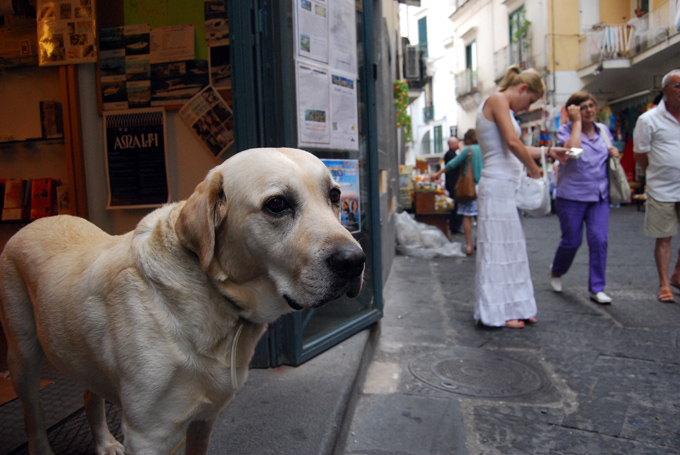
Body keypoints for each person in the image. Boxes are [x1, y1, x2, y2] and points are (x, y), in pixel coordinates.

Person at [474, 66, 568, 329]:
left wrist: (549, 152)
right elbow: (514, 143)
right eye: (529, 101)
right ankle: (497, 312)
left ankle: (514, 307)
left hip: (504, 186)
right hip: (498, 186)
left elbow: (514, 145)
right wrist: (535, 171)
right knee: (498, 249)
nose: (527, 108)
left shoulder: (501, 103)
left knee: (510, 248)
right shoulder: (498, 100)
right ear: (523, 88)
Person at [549, 91, 620, 305]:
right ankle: (557, 270)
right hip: (571, 195)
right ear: (573, 110)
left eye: (591, 105)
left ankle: (597, 288)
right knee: (572, 241)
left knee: (600, 240)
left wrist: (614, 152)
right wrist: (576, 122)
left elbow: (604, 158)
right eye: (583, 107)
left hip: (599, 195)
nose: (589, 110)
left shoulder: (604, 131)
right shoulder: (564, 131)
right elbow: (573, 151)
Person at [633, 69, 680, 303]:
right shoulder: (648, 119)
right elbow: (640, 153)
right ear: (665, 91)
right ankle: (664, 284)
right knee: (664, 237)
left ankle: (677, 273)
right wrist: (656, 171)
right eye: (678, 86)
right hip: (662, 188)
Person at [432, 129, 483, 256]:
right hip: (484, 187)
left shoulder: (468, 150)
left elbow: (452, 164)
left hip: (470, 187)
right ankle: (481, 242)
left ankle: (469, 246)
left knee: (467, 216)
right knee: (482, 217)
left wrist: (438, 173)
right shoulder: (484, 149)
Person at [443, 137, 464, 234]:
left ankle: (455, 226)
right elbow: (458, 163)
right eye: (456, 143)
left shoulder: (452, 154)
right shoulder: (449, 155)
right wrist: (462, 150)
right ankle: (454, 226)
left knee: (456, 206)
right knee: (455, 207)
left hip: (453, 184)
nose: (458, 144)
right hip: (453, 184)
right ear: (451, 145)